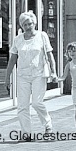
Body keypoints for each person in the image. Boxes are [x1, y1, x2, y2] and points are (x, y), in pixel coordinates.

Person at [5, 11, 57, 141]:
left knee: (36, 103)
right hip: (23, 75)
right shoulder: (18, 39)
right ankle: (26, 133)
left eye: (31, 24)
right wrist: (7, 77)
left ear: (35, 23)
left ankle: (47, 124)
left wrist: (54, 71)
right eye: (25, 25)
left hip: (38, 73)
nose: (29, 27)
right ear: (22, 26)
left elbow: (50, 55)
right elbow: (12, 59)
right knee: (22, 106)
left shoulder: (42, 36)